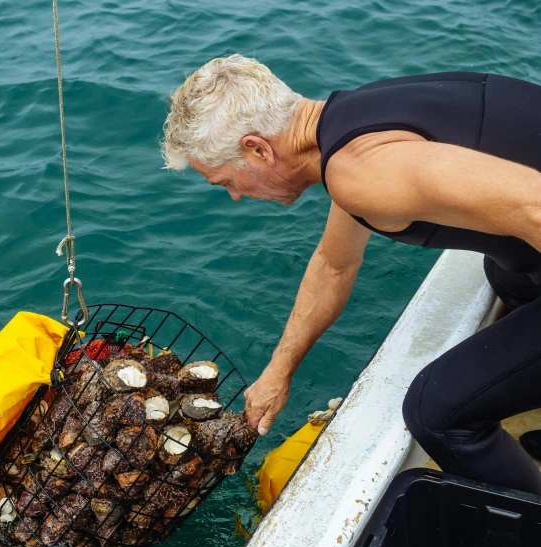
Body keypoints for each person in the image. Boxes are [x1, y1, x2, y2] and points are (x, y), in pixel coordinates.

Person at [161, 54, 541, 495]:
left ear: (258, 149)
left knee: (436, 413)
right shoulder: (352, 123)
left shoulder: (362, 173)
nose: (235, 197)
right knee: (510, 273)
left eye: (226, 181)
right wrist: (278, 372)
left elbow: (534, 206)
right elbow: (333, 264)